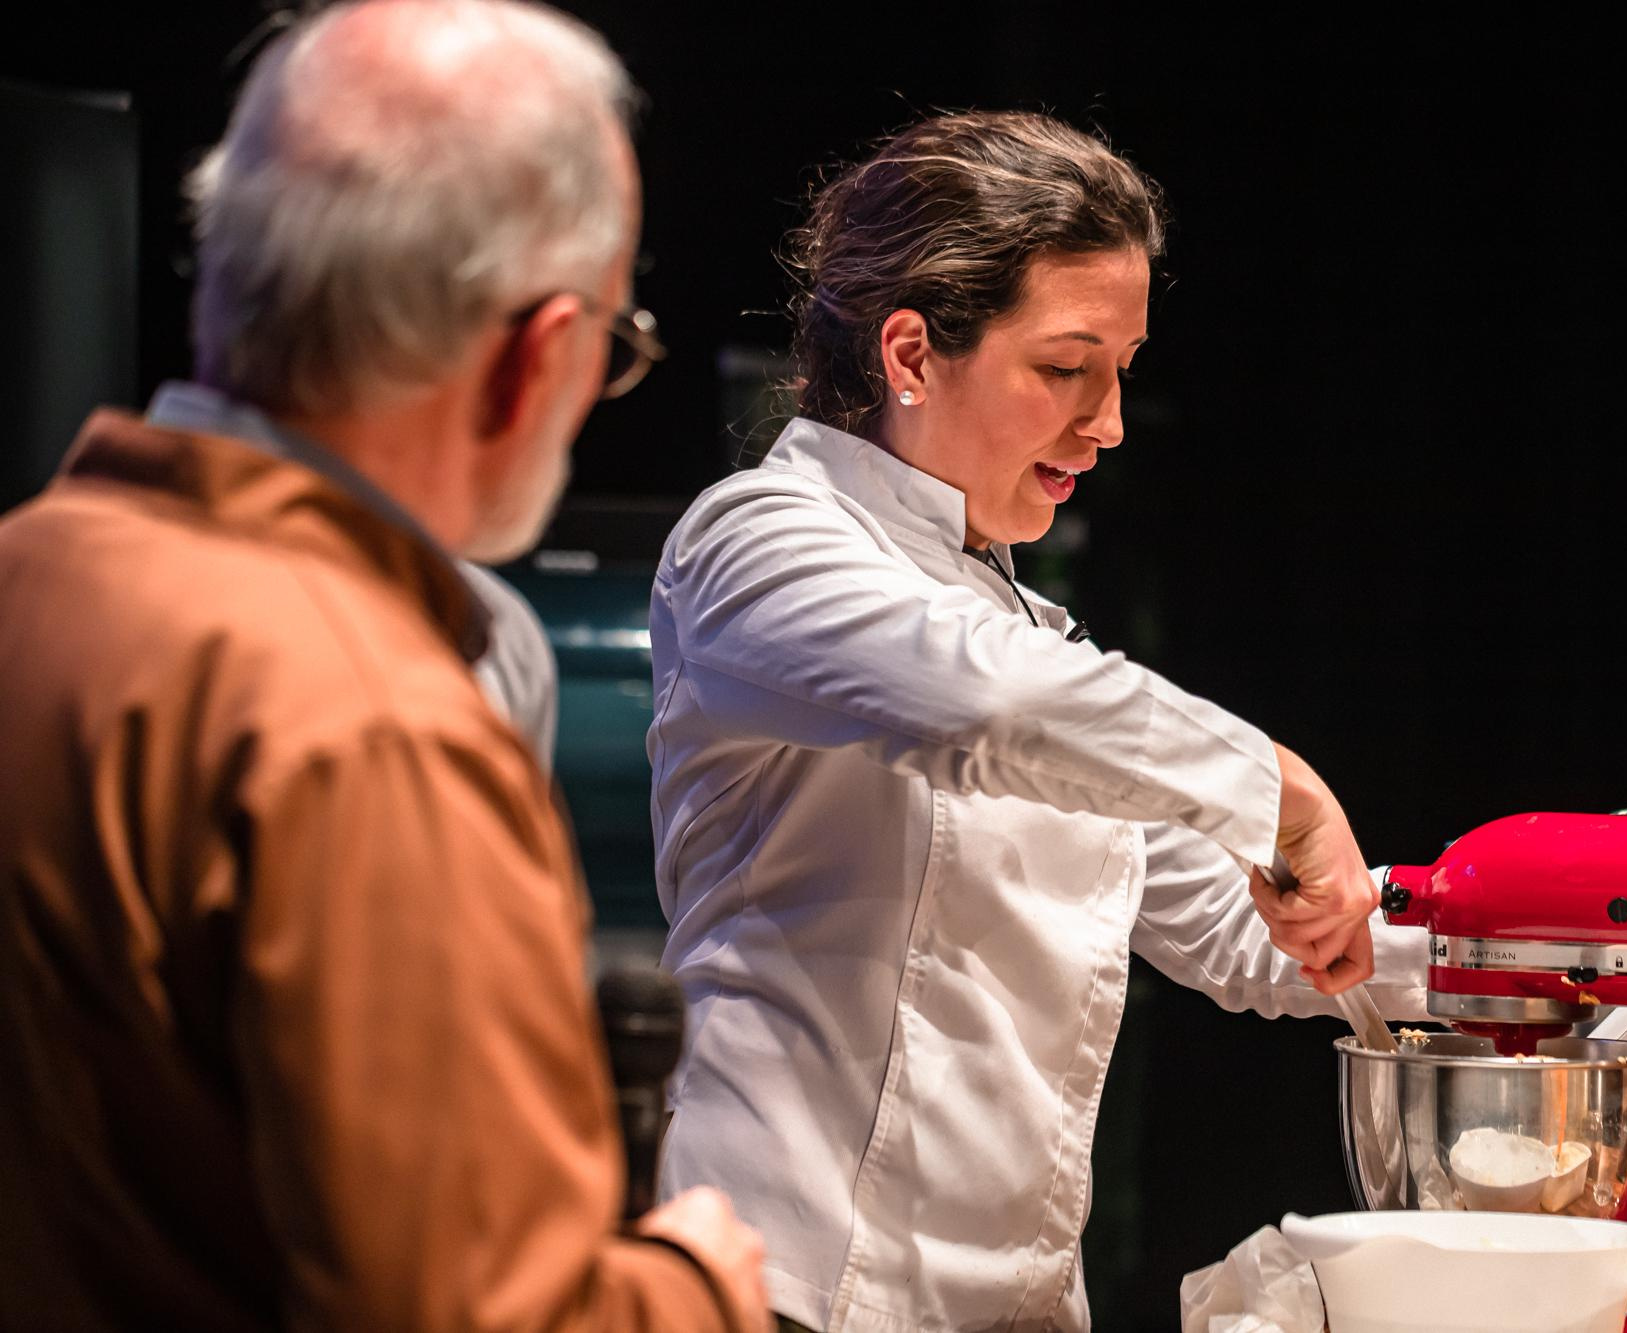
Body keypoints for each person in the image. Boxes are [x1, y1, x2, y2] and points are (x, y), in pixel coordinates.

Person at [0, 2, 768, 1329]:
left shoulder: (33, 570)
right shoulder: (372, 726)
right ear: (536, 357)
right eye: (615, 351)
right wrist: (692, 1286)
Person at [646, 111, 1426, 1331]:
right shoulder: (756, 542)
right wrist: (1279, 785)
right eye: (1066, 369)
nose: (1106, 422)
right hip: (792, 1290)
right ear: (909, 353)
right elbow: (981, 702)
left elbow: (1246, 929)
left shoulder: (1029, 637)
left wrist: (1578, 960)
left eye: (1120, 371)